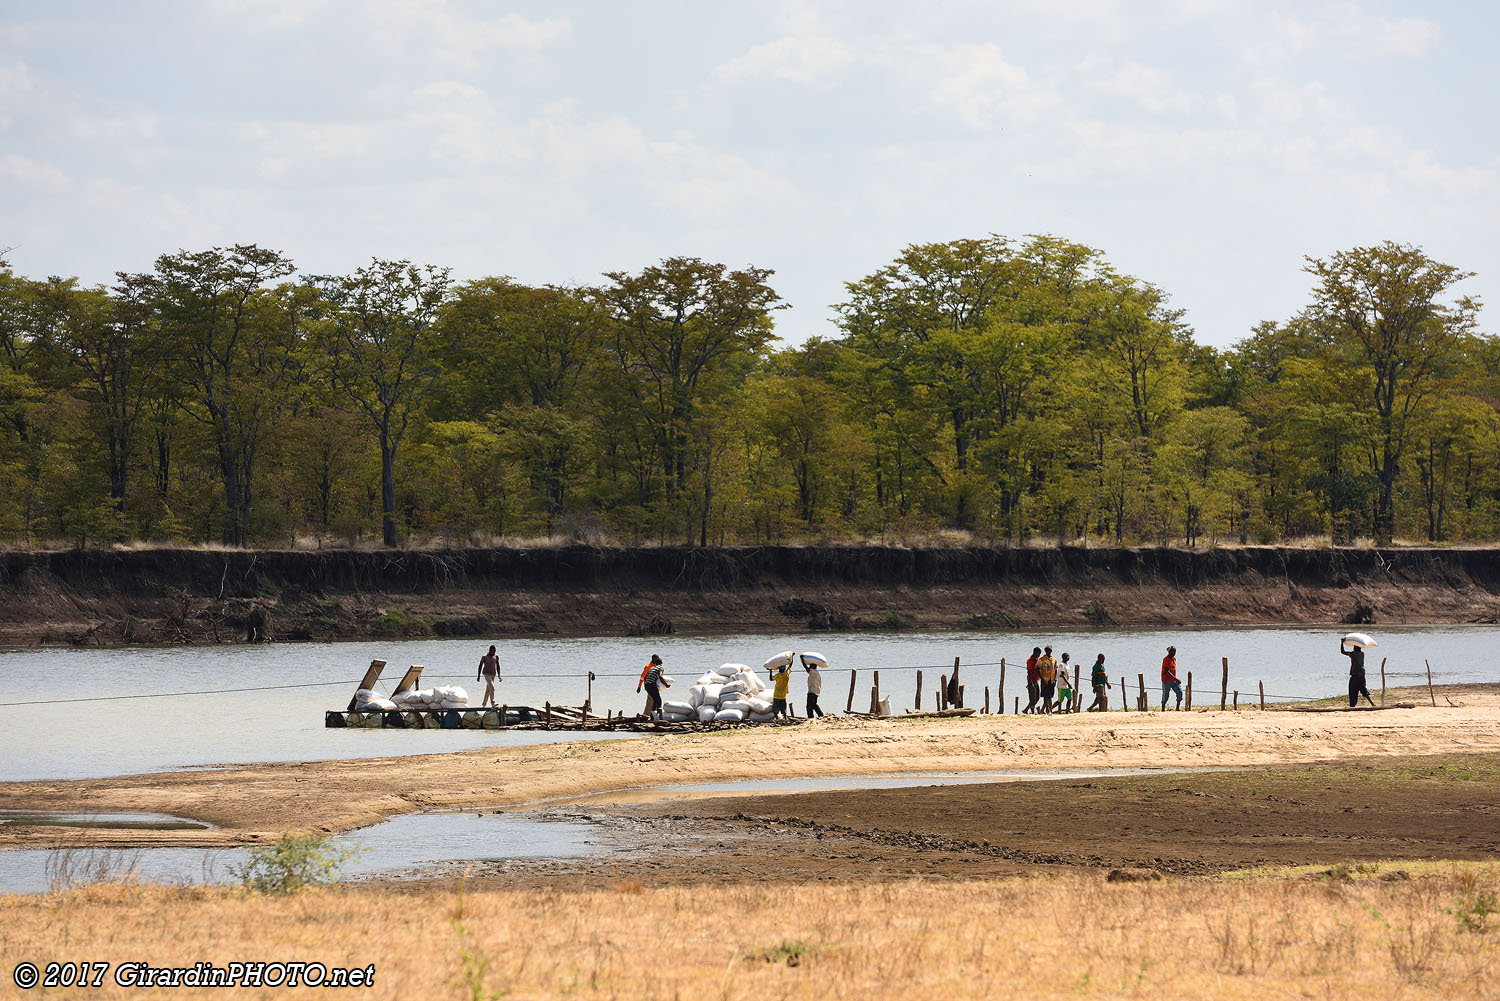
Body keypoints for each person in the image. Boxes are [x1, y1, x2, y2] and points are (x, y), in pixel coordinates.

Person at [1341, 638, 1375, 707]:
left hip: (1355, 675)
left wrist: (1342, 643)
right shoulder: (1362, 654)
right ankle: (1372, 703)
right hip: (1361, 675)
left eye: (1354, 647)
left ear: (1355, 649)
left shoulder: (1354, 654)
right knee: (1364, 690)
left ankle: (1352, 705)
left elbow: (1343, 652)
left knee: (1352, 691)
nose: (1353, 648)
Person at [637, 654, 665, 719]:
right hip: (650, 685)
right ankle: (652, 716)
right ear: (654, 659)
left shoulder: (653, 667)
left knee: (654, 701)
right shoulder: (648, 667)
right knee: (655, 701)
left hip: (650, 685)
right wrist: (639, 687)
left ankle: (652, 716)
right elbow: (642, 677)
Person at [1161, 645, 1183, 711]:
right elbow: (1167, 671)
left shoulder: (1174, 659)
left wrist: (1175, 679)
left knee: (1179, 692)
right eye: (1172, 651)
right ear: (1169, 652)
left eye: (1175, 651)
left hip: (1173, 680)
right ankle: (1163, 709)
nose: (1173, 653)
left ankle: (1177, 708)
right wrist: (1176, 679)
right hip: (1166, 680)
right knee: (1166, 695)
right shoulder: (1166, 659)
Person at [1037, 645, 1059, 714]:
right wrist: (1041, 678)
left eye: (1049, 650)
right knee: (1046, 695)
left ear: (1051, 651)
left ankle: (1045, 710)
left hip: (1051, 680)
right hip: (1045, 679)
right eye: (1046, 650)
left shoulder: (1054, 659)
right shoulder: (1042, 659)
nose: (1048, 651)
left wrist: (1055, 679)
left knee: (1050, 695)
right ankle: (1049, 710)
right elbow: (1038, 668)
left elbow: (1056, 670)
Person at [1024, 647, 1042, 714]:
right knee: (1032, 697)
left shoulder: (1036, 660)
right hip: (1031, 680)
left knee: (1037, 696)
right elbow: (1028, 672)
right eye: (1038, 654)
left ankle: (1026, 709)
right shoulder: (1030, 661)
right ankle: (1031, 711)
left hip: (1036, 680)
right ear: (1035, 652)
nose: (1039, 655)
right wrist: (1030, 682)